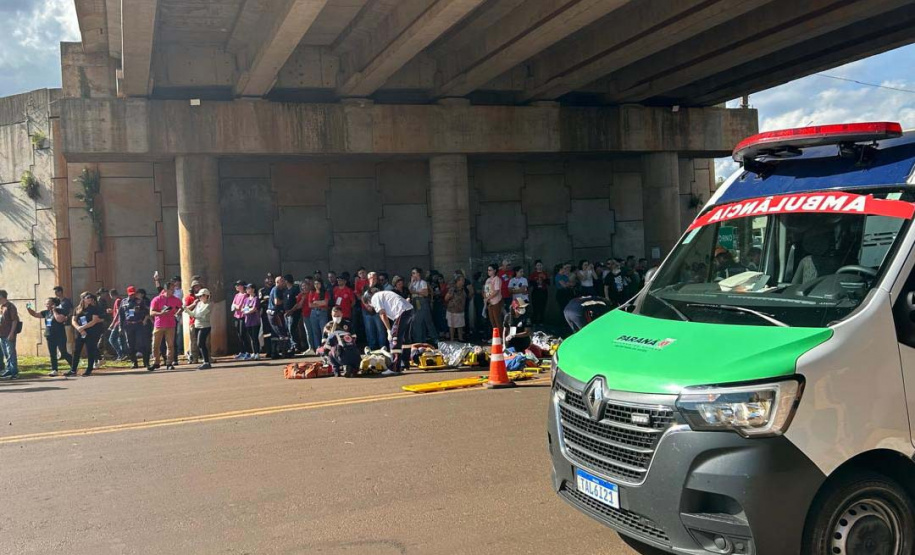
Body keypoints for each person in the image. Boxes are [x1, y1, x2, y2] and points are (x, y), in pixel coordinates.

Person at [371, 289, 414, 375]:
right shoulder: (385, 294)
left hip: (401, 312)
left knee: (395, 339)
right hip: (409, 310)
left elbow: (382, 314)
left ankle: (395, 367)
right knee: (405, 338)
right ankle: (405, 363)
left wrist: (388, 330)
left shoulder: (374, 298)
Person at [26, 298, 71, 376]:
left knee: (63, 352)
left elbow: (59, 320)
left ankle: (73, 366)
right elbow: (35, 314)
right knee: (52, 354)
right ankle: (54, 370)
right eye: (45, 303)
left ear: (53, 304)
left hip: (60, 335)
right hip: (50, 335)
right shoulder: (46, 313)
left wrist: (54, 310)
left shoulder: (61, 311)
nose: (46, 305)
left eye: (48, 303)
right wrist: (29, 309)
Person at [67, 292, 105, 377]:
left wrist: (83, 327)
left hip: (91, 332)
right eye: (88, 297)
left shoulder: (93, 309)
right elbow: (73, 320)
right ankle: (73, 370)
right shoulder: (77, 309)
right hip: (80, 333)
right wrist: (79, 329)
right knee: (76, 351)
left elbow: (94, 320)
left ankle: (89, 369)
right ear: (83, 299)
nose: (90, 299)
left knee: (90, 351)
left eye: (91, 298)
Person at [149, 280, 183, 371]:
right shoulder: (157, 299)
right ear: (166, 290)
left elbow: (181, 307)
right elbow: (151, 312)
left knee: (170, 345)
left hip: (170, 325)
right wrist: (161, 313)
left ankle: (169, 363)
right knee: (155, 345)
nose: (173, 291)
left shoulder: (176, 300)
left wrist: (178, 312)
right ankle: (156, 362)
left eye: (174, 289)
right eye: (172, 289)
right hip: (158, 325)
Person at [119, 286, 150, 369]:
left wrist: (140, 311)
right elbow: (121, 315)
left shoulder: (140, 301)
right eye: (130, 294)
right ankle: (134, 362)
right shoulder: (123, 302)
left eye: (133, 294)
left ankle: (146, 362)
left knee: (142, 343)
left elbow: (147, 311)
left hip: (138, 324)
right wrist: (120, 327)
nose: (132, 296)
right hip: (128, 325)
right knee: (130, 345)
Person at [322, 306, 358, 377]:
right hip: (334, 349)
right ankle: (336, 370)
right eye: (334, 316)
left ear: (342, 314)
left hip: (347, 348)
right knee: (327, 352)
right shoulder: (328, 326)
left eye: (338, 316)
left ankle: (350, 367)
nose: (336, 317)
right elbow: (324, 341)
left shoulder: (347, 324)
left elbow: (354, 337)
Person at [409, 268, 437, 344]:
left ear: (418, 274)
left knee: (426, 320)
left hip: (421, 301)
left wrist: (415, 292)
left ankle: (434, 338)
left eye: (414, 273)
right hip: (415, 301)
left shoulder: (423, 282)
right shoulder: (413, 283)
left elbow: (425, 293)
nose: (413, 275)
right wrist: (412, 283)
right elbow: (410, 291)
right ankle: (420, 339)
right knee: (418, 321)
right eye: (412, 273)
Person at [360, 272, 384, 351]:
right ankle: (372, 348)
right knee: (369, 330)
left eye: (374, 278)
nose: (373, 279)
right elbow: (362, 298)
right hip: (367, 311)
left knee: (380, 330)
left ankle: (382, 346)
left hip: (377, 311)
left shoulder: (380, 287)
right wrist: (367, 306)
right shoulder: (365, 287)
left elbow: (382, 298)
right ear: (368, 279)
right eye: (371, 278)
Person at [191, 288, 213, 370]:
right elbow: (193, 314)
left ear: (206, 296)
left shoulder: (209, 304)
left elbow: (200, 314)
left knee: (201, 343)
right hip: (197, 325)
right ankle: (205, 362)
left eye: (201, 296)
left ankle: (207, 362)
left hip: (205, 326)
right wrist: (186, 309)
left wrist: (193, 314)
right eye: (199, 296)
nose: (199, 297)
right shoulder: (199, 303)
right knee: (200, 344)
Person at [307, 279, 331, 354]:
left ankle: (325, 347)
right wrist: (320, 302)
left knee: (323, 330)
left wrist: (316, 302)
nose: (316, 285)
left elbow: (325, 303)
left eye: (318, 283)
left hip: (322, 312)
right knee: (315, 331)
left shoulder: (325, 292)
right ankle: (318, 348)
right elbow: (310, 304)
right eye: (315, 284)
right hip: (313, 312)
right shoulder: (312, 292)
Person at [0, 290, 19, 379]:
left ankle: (14, 372)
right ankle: (9, 370)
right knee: (6, 353)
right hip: (2, 334)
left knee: (11, 353)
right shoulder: (1, 307)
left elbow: (14, 320)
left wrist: (11, 333)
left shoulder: (10, 306)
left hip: (9, 333)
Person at [184, 280, 203, 364]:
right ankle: (194, 358)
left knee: (205, 340)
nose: (197, 288)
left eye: (198, 286)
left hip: (203, 322)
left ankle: (206, 357)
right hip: (193, 322)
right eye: (195, 286)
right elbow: (186, 309)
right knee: (193, 341)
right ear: (192, 288)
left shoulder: (204, 296)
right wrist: (194, 304)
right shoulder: (189, 297)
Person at [53, 286, 75, 356]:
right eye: (55, 292)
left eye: (56, 292)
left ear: (60, 292)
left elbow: (72, 311)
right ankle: (60, 354)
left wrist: (67, 317)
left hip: (67, 323)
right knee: (58, 339)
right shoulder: (55, 301)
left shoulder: (67, 301)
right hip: (57, 323)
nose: (55, 293)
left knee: (68, 339)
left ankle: (70, 353)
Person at [241, 284, 261, 360]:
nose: (247, 290)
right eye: (246, 288)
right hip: (247, 321)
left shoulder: (256, 299)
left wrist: (247, 311)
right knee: (251, 338)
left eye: (248, 288)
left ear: (253, 289)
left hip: (255, 321)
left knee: (255, 337)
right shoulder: (246, 299)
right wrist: (246, 310)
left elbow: (254, 309)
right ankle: (254, 352)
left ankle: (257, 353)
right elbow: (243, 308)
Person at [283, 274, 302, 353]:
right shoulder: (286, 290)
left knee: (292, 329)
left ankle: (296, 345)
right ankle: (292, 345)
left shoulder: (295, 289)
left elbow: (297, 302)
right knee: (288, 330)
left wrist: (291, 311)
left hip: (294, 312)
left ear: (287, 281)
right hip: (286, 313)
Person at [230, 280, 249, 360]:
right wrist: (235, 306)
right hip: (236, 316)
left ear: (242, 286)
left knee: (243, 334)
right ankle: (242, 352)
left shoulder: (245, 295)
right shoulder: (237, 295)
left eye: (238, 285)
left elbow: (239, 307)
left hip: (242, 316)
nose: (236, 287)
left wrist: (236, 306)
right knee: (238, 334)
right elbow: (232, 306)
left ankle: (247, 352)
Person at [444, 275, 467, 342]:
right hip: (452, 310)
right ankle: (452, 339)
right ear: (458, 281)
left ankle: (460, 339)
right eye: (462, 280)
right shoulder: (452, 289)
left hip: (460, 310)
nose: (463, 282)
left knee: (460, 325)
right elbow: (446, 298)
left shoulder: (463, 289)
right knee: (452, 326)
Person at [267, 275, 288, 341]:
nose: (284, 282)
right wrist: (286, 300)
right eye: (282, 281)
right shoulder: (276, 289)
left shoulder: (280, 289)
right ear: (277, 282)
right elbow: (277, 302)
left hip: (275, 313)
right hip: (275, 313)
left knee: (278, 333)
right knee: (281, 332)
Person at [529, 260, 549, 326]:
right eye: (538, 265)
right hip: (536, 292)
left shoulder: (545, 273)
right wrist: (536, 282)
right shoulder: (533, 274)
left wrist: (544, 279)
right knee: (535, 307)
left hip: (543, 291)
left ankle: (541, 322)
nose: (539, 267)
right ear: (535, 266)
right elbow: (530, 284)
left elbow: (549, 283)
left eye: (540, 265)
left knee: (542, 307)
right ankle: (534, 321)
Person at [483, 264, 503, 330]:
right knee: (492, 321)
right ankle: (495, 336)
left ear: (494, 270)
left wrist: (488, 298)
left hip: (496, 302)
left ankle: (501, 337)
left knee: (497, 320)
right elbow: (486, 291)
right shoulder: (487, 280)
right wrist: (487, 298)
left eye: (490, 270)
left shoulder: (497, 279)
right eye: (488, 270)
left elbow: (496, 291)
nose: (488, 271)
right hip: (490, 302)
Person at [258, 274, 274, 341]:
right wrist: (265, 299)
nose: (270, 280)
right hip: (265, 312)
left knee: (275, 329)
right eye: (268, 278)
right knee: (266, 331)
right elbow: (259, 302)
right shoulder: (262, 290)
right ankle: (268, 348)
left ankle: (276, 348)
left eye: (271, 278)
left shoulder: (275, 289)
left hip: (274, 312)